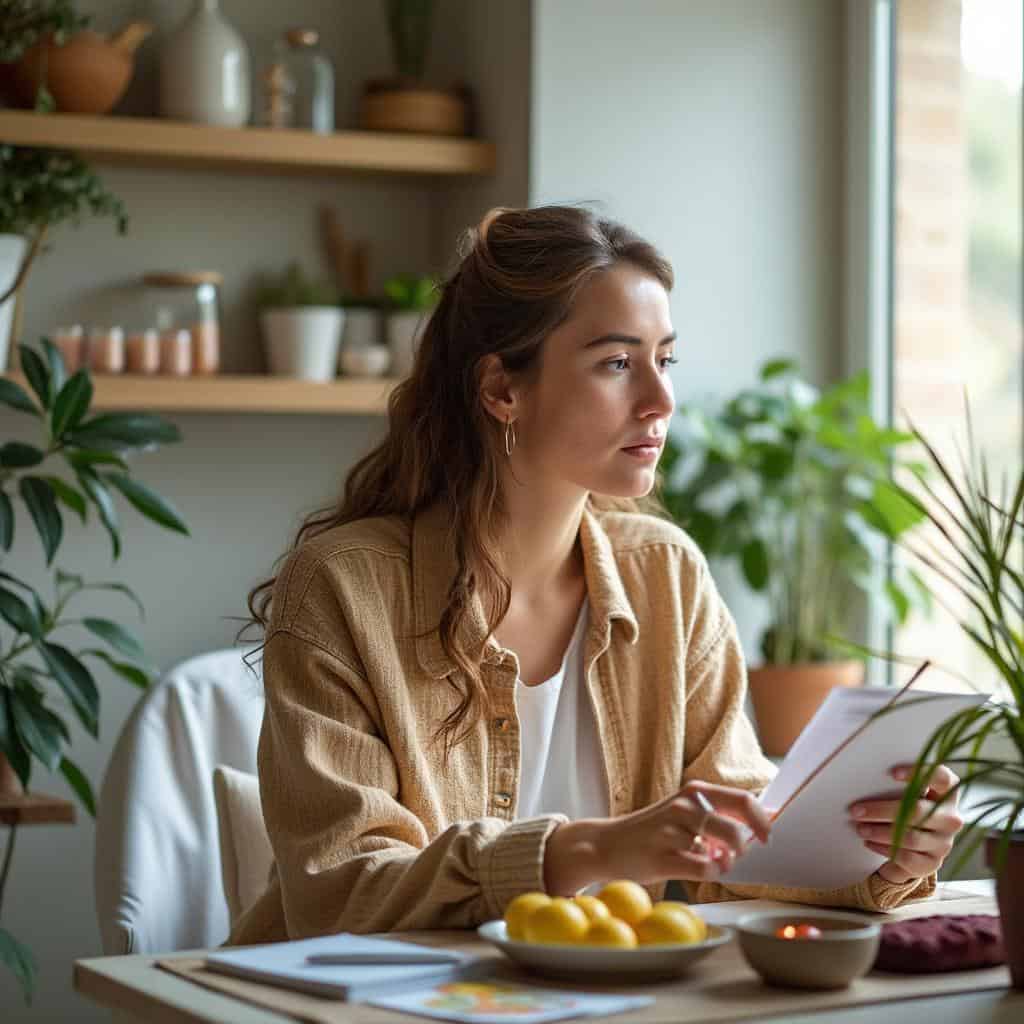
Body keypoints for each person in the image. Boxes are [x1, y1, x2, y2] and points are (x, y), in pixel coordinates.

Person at [228, 205, 963, 945]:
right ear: (501, 389)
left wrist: (879, 853)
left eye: (664, 360)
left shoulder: (666, 574)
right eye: (617, 363)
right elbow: (342, 892)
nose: (661, 400)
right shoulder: (341, 588)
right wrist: (591, 850)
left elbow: (736, 836)